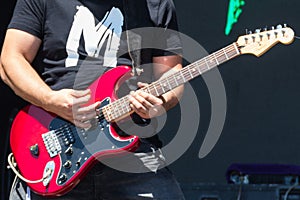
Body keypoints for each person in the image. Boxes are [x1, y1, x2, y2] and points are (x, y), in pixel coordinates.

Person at [0, 0, 185, 199]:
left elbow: (171, 71)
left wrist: (160, 102)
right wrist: (50, 100)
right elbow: (11, 59)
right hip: (56, 144)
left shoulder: (154, 5)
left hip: (134, 149)